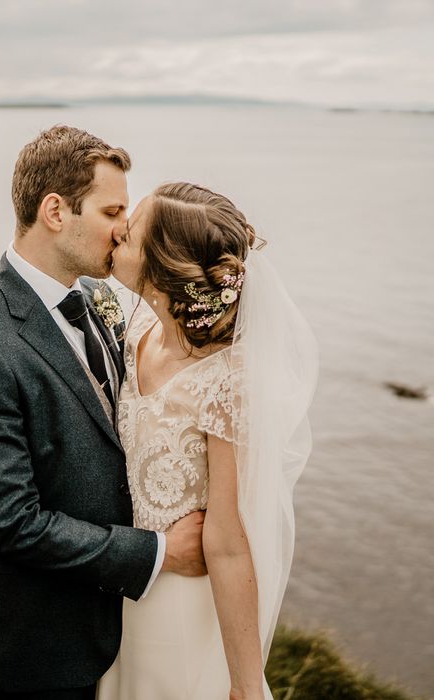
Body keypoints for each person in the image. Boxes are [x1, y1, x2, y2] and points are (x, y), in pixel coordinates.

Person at [0, 127, 208, 700]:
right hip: (44, 643)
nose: (125, 228)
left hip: (121, 625)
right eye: (112, 210)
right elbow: (12, 523)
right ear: (55, 211)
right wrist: (159, 553)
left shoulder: (96, 299)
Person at [97, 183, 318, 700]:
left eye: (127, 235)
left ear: (162, 270)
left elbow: (227, 543)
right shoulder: (138, 332)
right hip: (127, 584)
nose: (115, 235)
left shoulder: (227, 383)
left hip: (180, 610)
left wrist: (245, 684)